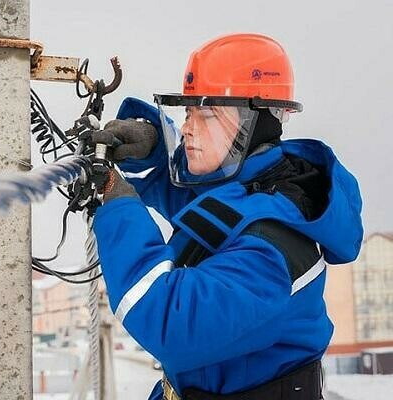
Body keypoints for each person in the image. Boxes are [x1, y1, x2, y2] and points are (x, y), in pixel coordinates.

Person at [91, 33, 363, 400]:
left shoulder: (272, 250)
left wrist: (119, 206)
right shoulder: (257, 190)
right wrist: (155, 151)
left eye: (206, 114)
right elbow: (203, 213)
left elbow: (169, 321)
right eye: (188, 112)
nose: (187, 127)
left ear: (255, 124)